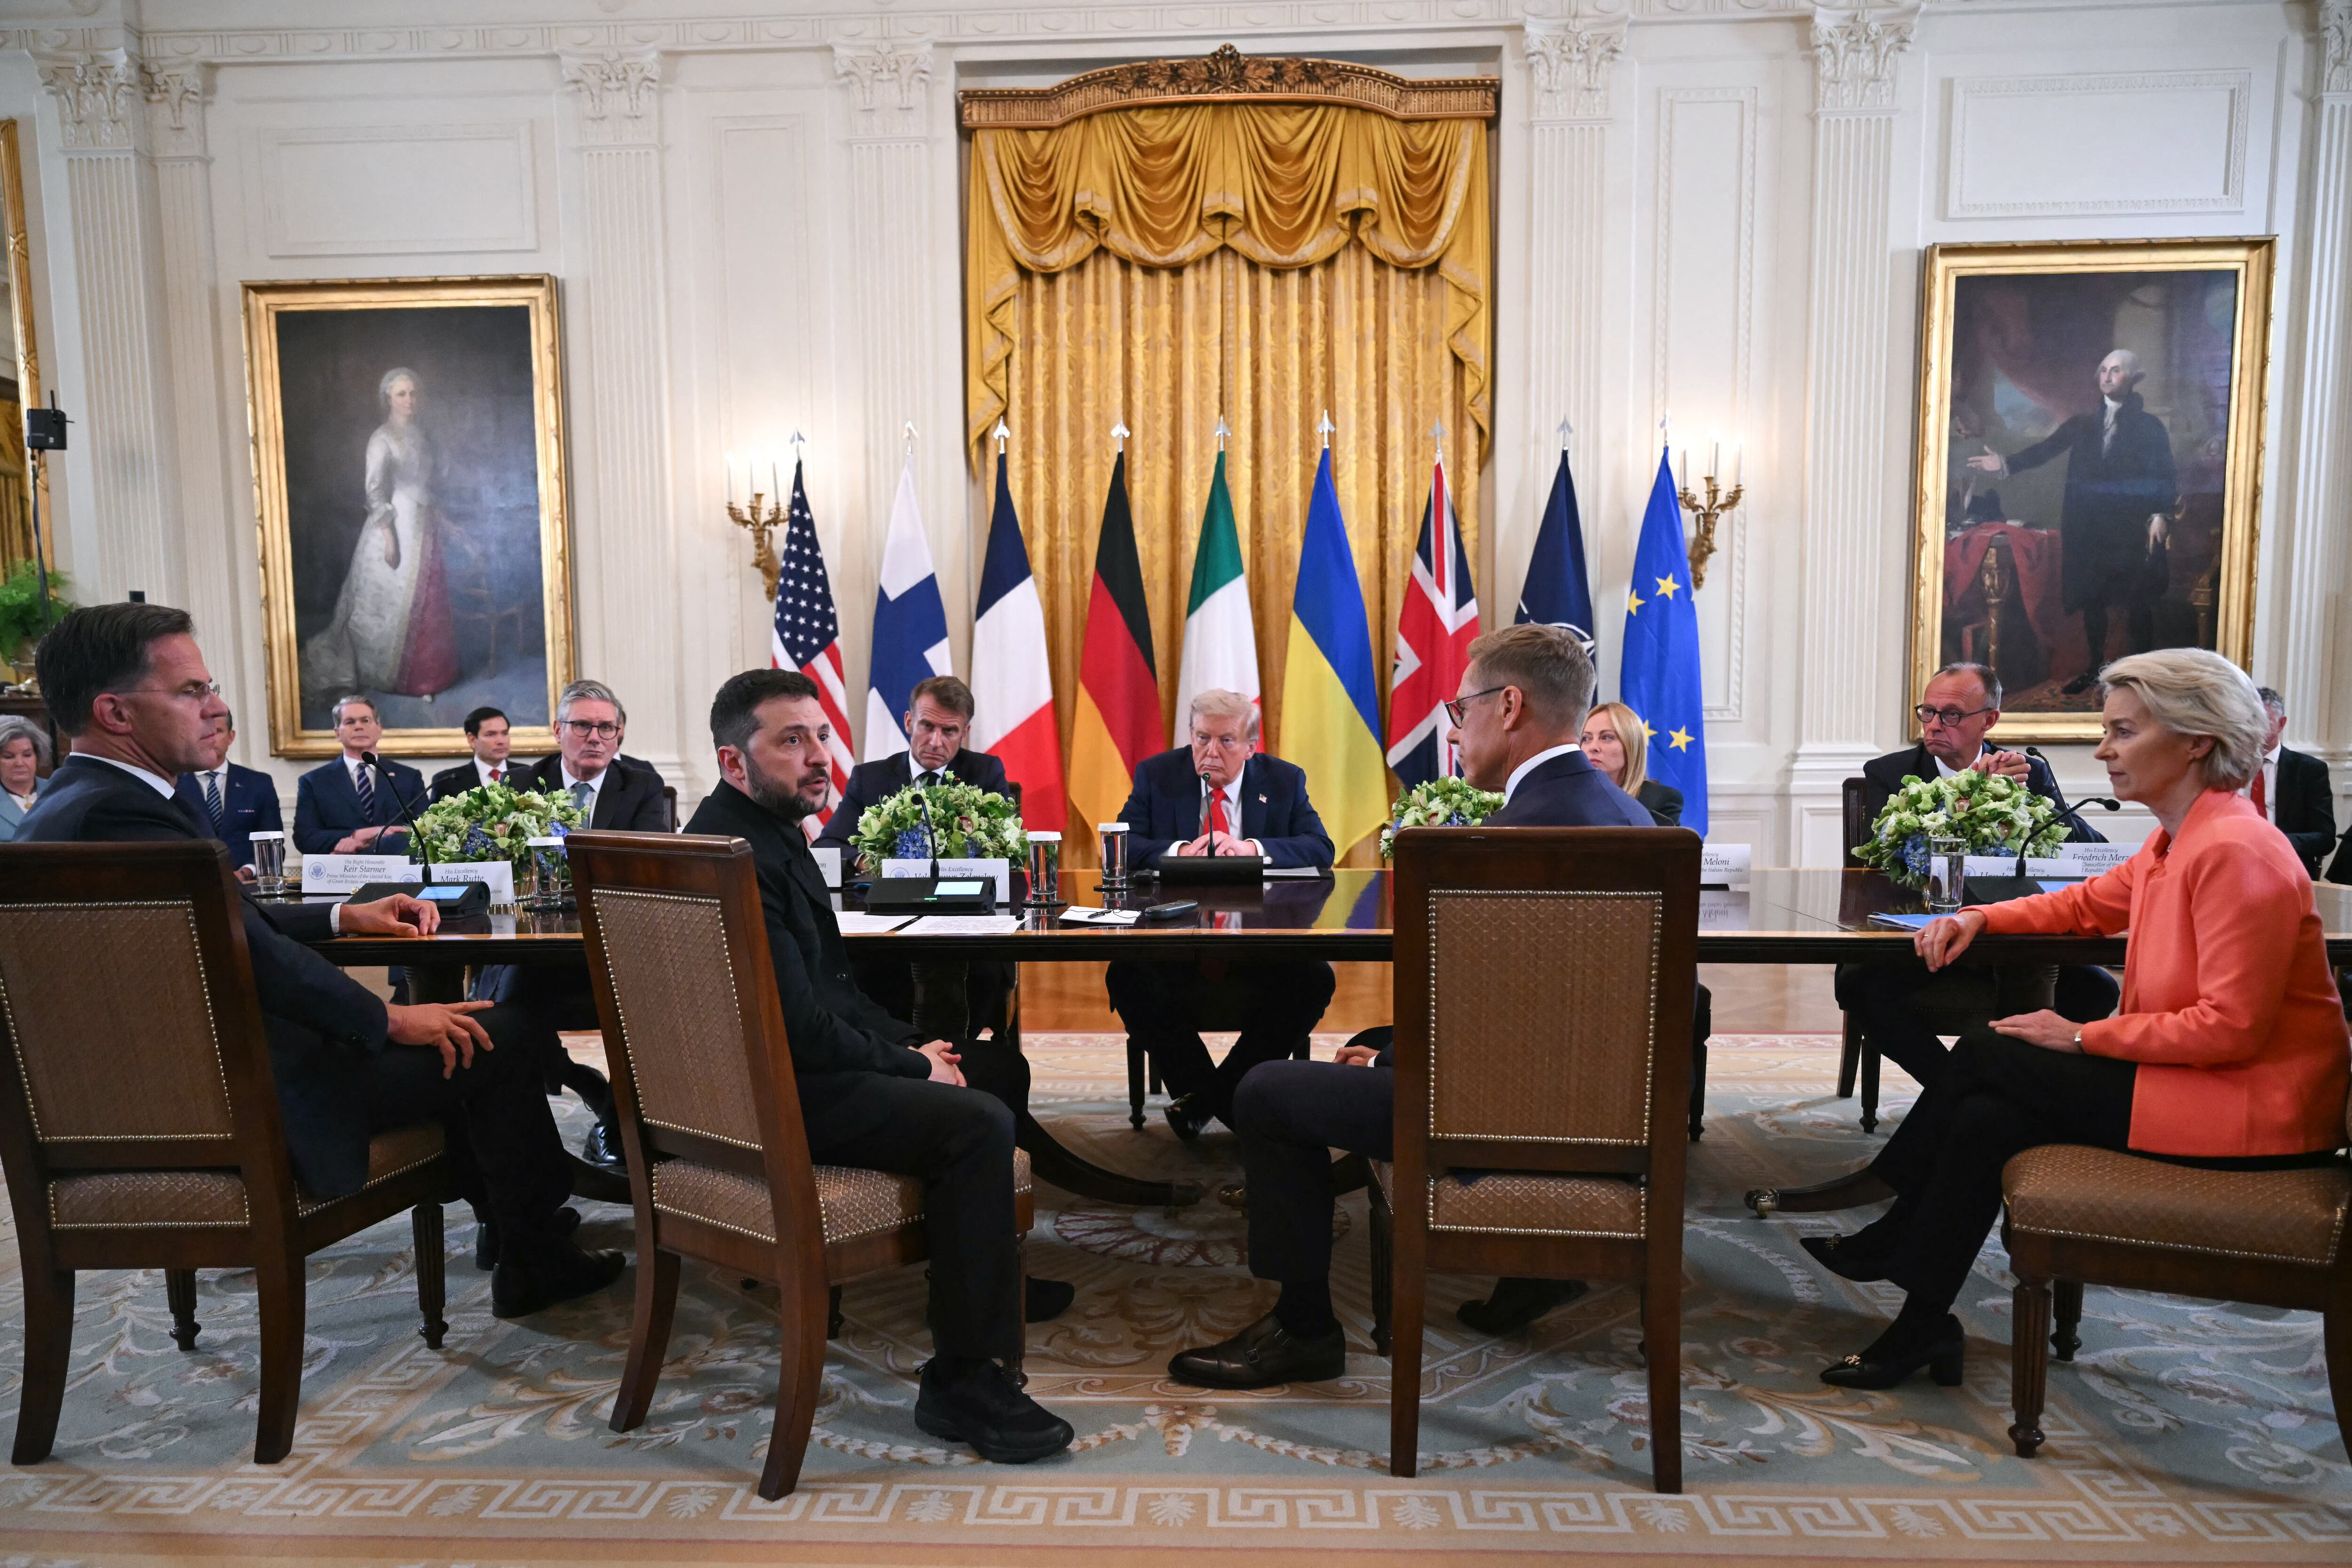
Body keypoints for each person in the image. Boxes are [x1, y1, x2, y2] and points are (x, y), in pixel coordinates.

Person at [17, 603, 622, 1318]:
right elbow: (258, 961)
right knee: (498, 1032)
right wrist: (389, 1020)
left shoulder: (73, 807)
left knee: (465, 1031)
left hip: (174, 1084)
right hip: (250, 1095)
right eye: (191, 691)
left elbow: (226, 921)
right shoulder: (123, 815)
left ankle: (510, 1221)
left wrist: (342, 913)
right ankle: (535, 1254)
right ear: (116, 712)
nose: (215, 706)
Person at [1800, 649, 2350, 1390]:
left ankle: (1889, 1221)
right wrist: (1981, 916)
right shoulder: (2181, 834)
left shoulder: (2237, 849)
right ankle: (1920, 1323)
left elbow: (2231, 1029)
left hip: (2255, 1112)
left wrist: (2084, 1034)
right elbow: (2083, 903)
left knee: (1996, 1048)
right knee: (1988, 1114)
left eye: (2123, 732)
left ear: (2196, 740)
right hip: (2199, 1086)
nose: (2103, 750)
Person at [1168, 626, 1655, 1390]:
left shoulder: (1509, 838)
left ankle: (1303, 1328)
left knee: (1266, 1088)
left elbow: (1478, 1015)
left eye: (1462, 707)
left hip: (1498, 1112)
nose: (1455, 728)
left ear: (1511, 704)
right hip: (1604, 1113)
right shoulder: (1638, 823)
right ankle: (1541, 1267)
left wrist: (1394, 1058)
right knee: (1366, 1041)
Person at [682, 669, 1074, 1465]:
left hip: (797, 1068)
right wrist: (908, 1061)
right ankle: (962, 1377)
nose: (818, 754)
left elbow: (834, 989)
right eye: (791, 739)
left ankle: (987, 1271)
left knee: (987, 1069)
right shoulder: (734, 854)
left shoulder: (770, 828)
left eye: (821, 734)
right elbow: (800, 1028)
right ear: (734, 762)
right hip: (774, 1098)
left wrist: (923, 1051)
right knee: (979, 1123)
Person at [1837, 662, 2119, 1090]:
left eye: (1950, 715)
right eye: (1927, 712)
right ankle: (1958, 1089)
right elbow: (1885, 856)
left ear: (1989, 720)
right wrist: (1970, 789)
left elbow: (2089, 849)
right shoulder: (1888, 772)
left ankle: (2027, 1087)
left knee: (2097, 988)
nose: (1934, 725)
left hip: (2011, 940)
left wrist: (2030, 794)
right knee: (1859, 985)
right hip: (1922, 939)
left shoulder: (2028, 771)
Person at [1104, 690, 1336, 1140]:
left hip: (1261, 947)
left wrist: (1253, 849)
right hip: (1175, 947)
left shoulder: (1284, 780)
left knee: (1314, 978)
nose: (1211, 753)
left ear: (1252, 746)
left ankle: (1205, 1102)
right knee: (1127, 976)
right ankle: (1231, 1103)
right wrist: (1178, 850)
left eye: (1226, 741)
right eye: (1201, 739)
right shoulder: (1159, 775)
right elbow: (1123, 843)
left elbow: (1320, 849)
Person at [479, 680, 667, 1171]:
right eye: (583, 725)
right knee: (506, 994)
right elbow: (498, 860)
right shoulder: (521, 785)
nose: (595, 737)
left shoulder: (642, 785)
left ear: (619, 735)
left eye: (607, 727)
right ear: (558, 730)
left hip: (613, 943)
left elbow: (647, 861)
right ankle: (563, 1093)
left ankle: (616, 1115)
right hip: (533, 941)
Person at [814, 675, 1014, 1043]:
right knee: (864, 974)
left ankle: (958, 1061)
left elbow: (1005, 851)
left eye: (949, 731)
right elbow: (829, 846)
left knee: (982, 976)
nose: (936, 741)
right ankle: (904, 1057)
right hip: (890, 932)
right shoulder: (870, 778)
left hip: (967, 930)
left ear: (965, 733)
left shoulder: (986, 773)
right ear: (909, 722)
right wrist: (868, 860)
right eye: (927, 726)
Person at [1964, 348, 2178, 692]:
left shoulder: (2150, 428)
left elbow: (2164, 475)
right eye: (2104, 370)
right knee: (2092, 599)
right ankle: (2095, 669)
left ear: (2134, 378)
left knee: (2137, 601)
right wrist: (2004, 464)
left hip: (2130, 529)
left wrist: (2159, 515)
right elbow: (2046, 450)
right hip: (2089, 527)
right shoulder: (2083, 423)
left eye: (2117, 370)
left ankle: (2141, 678)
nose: (2107, 377)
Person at [302, 366, 460, 704]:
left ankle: (430, 676)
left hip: (425, 525)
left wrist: (444, 520)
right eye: (402, 394)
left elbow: (425, 486)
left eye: (413, 393)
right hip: (397, 524)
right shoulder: (382, 438)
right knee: (391, 605)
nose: (409, 400)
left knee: (428, 602)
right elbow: (375, 492)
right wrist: (389, 536)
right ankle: (397, 678)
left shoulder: (420, 434)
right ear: (388, 398)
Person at [291, 695, 428, 855]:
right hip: (344, 871)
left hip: (399, 872)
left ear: (379, 730)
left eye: (366, 720)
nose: (359, 727)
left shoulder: (409, 778)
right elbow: (304, 837)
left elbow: (426, 829)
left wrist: (386, 834)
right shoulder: (314, 782)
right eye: (350, 722)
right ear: (337, 733)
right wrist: (354, 835)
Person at [172, 706, 282, 871]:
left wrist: (247, 873)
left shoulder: (258, 783)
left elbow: (273, 843)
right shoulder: (174, 783)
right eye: (203, 731)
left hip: (247, 886)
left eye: (218, 731)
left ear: (231, 737)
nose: (211, 738)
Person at [2250, 687, 2336, 879]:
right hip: (2234, 862)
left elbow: (2325, 838)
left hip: (2287, 867)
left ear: (2281, 724)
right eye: (2250, 719)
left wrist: (2275, 842)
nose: (2254, 727)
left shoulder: (2309, 771)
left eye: (2263, 720)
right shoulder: (2226, 766)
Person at [1580, 700, 1681, 826]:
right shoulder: (1572, 797)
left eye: (1606, 737)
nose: (1593, 747)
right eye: (1586, 739)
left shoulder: (1660, 800)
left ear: (1631, 746)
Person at [430, 706, 515, 800]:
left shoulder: (528, 775)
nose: (501, 741)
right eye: (491, 735)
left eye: (505, 733)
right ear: (472, 740)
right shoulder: (447, 781)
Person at [0, 713, 52, 841]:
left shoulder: (59, 791)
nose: (20, 763)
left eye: (27, 755)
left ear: (37, 756)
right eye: (9, 757)